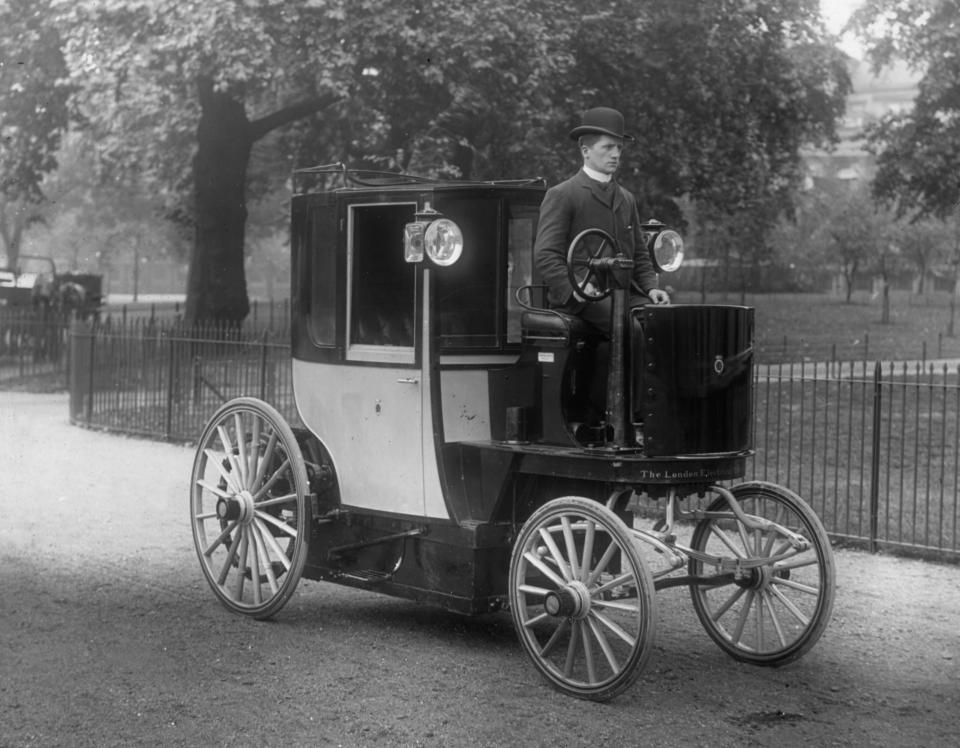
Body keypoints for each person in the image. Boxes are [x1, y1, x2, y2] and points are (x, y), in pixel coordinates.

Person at [534, 106, 669, 333]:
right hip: (582, 297)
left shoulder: (627, 198)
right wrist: (577, 286)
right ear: (586, 151)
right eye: (607, 147)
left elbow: (639, 255)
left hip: (625, 293)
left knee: (667, 322)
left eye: (619, 148)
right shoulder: (563, 194)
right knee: (629, 330)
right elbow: (546, 254)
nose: (615, 154)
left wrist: (651, 288)